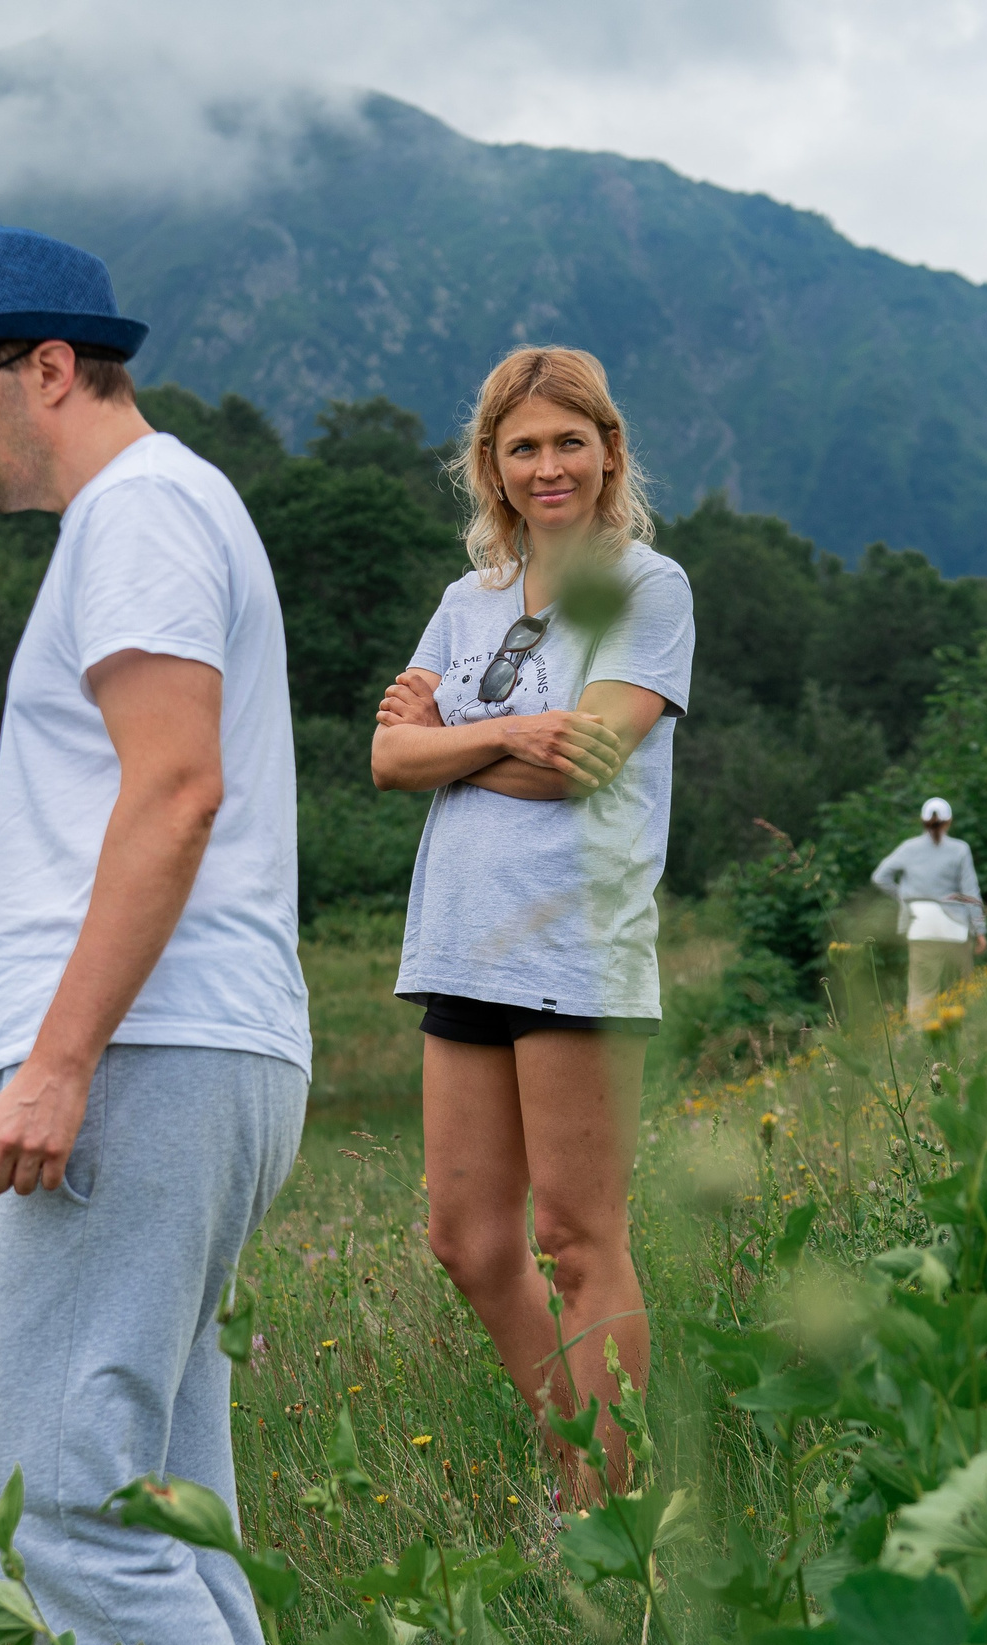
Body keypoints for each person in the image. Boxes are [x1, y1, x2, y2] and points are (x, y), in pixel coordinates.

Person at [0, 226, 311, 1645]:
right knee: (155, 1514)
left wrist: (60, 1059)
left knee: (45, 1505)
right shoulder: (168, 510)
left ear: (48, 366)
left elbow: (174, 787)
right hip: (197, 1051)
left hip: (143, 1056)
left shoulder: (135, 514)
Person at [370, 346, 694, 1502]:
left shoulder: (646, 588)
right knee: (467, 1240)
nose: (548, 465)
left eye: (570, 441)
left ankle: (608, 1511)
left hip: (576, 944)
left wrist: (455, 746)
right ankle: (582, 1459)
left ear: (608, 452)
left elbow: (588, 765)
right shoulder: (466, 604)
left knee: (573, 1235)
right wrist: (514, 736)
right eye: (523, 447)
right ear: (491, 470)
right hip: (460, 938)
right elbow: (384, 756)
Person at [870, 796, 986, 1028]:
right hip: (955, 929)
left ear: (923, 821)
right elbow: (970, 891)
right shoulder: (960, 849)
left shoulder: (908, 848)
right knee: (960, 987)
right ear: (949, 821)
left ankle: (919, 1040)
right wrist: (980, 930)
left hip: (920, 927)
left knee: (922, 992)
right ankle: (963, 1037)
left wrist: (905, 898)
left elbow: (879, 876)